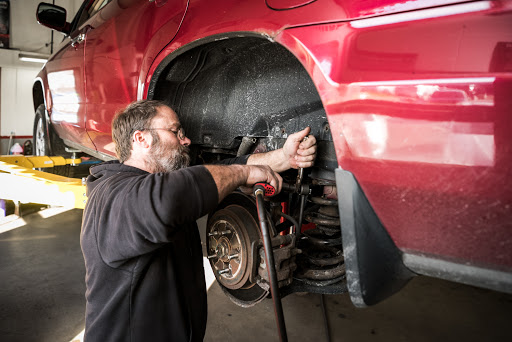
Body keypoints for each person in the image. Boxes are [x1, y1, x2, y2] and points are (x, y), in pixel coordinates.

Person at [80, 100, 317, 341]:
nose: (186, 140)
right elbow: (171, 197)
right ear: (141, 139)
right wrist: (243, 175)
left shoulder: (151, 184)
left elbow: (219, 169)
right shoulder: (112, 196)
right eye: (176, 131)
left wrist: (286, 158)